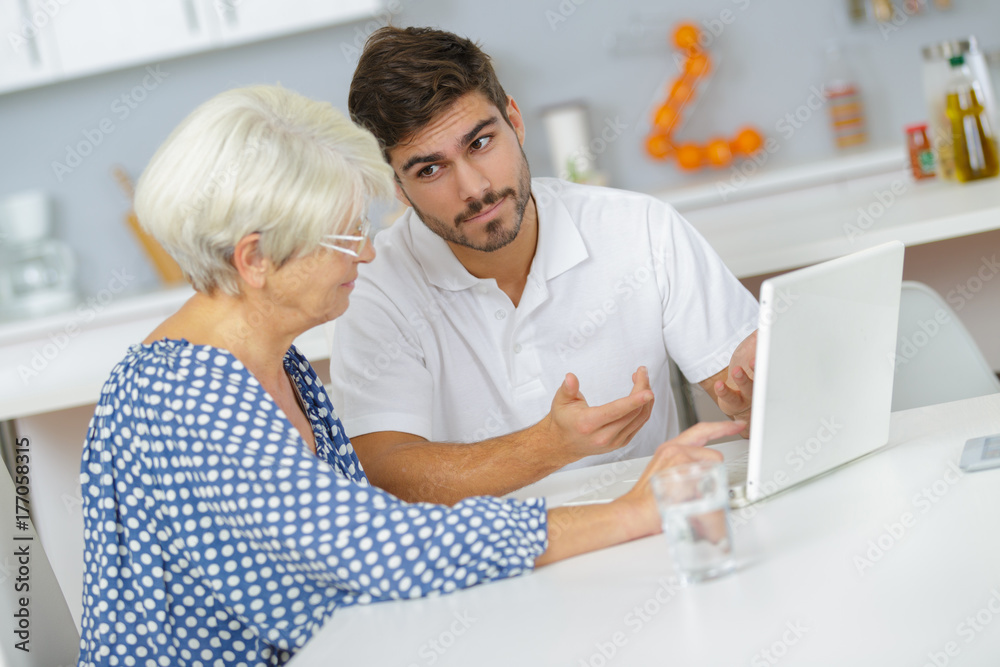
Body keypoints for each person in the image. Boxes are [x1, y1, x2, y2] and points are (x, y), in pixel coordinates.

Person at [77, 84, 743, 666]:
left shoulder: (274, 364)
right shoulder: (185, 394)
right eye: (342, 238)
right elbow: (376, 546)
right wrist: (627, 514)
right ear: (255, 259)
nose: (367, 253)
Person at [327, 26, 760, 505]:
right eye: (430, 169)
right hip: (491, 566)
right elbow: (386, 471)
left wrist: (752, 395)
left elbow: (745, 385)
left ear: (514, 119)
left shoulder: (641, 227)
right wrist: (547, 447)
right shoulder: (373, 289)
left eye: (481, 143)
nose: (473, 188)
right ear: (395, 186)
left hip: (653, 535)